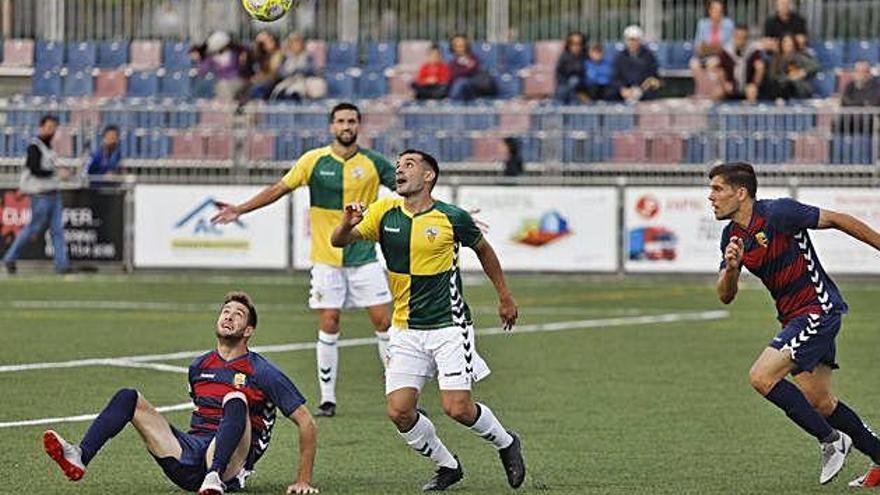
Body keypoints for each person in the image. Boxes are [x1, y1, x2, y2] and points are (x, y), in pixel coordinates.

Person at [330, 149, 526, 491]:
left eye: (409, 165)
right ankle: (447, 465)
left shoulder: (452, 217)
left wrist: (504, 296)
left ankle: (506, 442)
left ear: (428, 176)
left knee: (457, 408)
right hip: (405, 329)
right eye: (397, 166)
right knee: (399, 411)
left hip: (449, 327)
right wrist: (346, 223)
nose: (399, 170)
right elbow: (339, 241)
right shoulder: (383, 212)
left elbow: (483, 249)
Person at [212, 103, 395, 418]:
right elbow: (279, 189)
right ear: (331, 127)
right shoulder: (313, 161)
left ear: (359, 126)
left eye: (352, 121)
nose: (346, 126)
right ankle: (327, 399)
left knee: (384, 322)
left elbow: (408, 188)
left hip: (364, 255)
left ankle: (397, 391)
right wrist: (241, 209)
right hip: (326, 258)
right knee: (329, 321)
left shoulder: (375, 163)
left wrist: (445, 212)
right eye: (340, 121)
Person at [41, 291, 319, 495]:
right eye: (225, 311)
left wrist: (303, 480)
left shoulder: (263, 372)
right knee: (128, 397)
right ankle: (80, 455)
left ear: (248, 330)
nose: (228, 316)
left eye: (238, 314)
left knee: (235, 398)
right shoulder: (199, 366)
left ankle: (214, 477)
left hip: (231, 465)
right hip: (190, 454)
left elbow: (307, 421)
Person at [709, 162, 880, 487]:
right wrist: (732, 268)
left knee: (761, 376)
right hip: (794, 317)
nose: (711, 197)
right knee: (820, 402)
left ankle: (831, 441)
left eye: (717, 189)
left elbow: (837, 219)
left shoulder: (778, 213)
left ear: (740, 192)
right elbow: (725, 296)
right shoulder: (731, 236)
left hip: (818, 309)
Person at [2, 115, 69, 275]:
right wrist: (56, 173)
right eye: (48, 127)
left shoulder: (49, 148)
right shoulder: (34, 146)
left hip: (54, 194)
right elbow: (35, 169)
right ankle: (10, 257)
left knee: (57, 230)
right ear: (41, 127)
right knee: (32, 229)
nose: (51, 130)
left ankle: (62, 265)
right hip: (41, 196)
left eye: (54, 127)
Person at [271, 33, 326, 101]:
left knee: (299, 88)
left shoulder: (308, 56)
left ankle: (295, 97)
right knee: (280, 89)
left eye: (298, 43)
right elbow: (281, 73)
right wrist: (290, 72)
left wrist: (299, 69)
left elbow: (312, 70)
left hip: (303, 80)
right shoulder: (286, 57)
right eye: (293, 43)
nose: (296, 45)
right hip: (289, 80)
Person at [612, 25, 661, 102]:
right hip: (625, 91)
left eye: (635, 40)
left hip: (644, 91)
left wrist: (642, 89)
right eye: (630, 40)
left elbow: (653, 76)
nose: (632, 43)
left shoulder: (649, 56)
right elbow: (616, 77)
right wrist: (623, 89)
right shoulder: (620, 57)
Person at [767, 33, 819, 100]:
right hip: (780, 88)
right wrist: (789, 78)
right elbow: (772, 77)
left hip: (797, 87)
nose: (788, 44)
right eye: (785, 41)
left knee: (800, 86)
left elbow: (815, 66)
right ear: (781, 43)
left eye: (790, 41)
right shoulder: (776, 58)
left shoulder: (799, 56)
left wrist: (803, 72)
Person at [447, 34, 487, 101]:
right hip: (457, 87)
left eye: (462, 44)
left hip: (472, 87)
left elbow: (472, 70)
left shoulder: (473, 58)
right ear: (453, 47)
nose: (460, 47)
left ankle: (453, 104)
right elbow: (452, 75)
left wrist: (460, 71)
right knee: (459, 83)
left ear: (466, 45)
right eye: (457, 45)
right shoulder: (452, 62)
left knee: (461, 82)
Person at [248, 30, 284, 100]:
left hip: (274, 83)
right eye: (267, 41)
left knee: (258, 89)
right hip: (264, 83)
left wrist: (259, 78)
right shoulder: (262, 56)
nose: (272, 41)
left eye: (271, 39)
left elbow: (273, 74)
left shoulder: (278, 54)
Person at [554, 32, 586, 104]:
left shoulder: (585, 57)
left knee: (574, 81)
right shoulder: (564, 57)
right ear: (568, 45)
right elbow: (559, 74)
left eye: (579, 44)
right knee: (563, 90)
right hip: (565, 86)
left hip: (580, 87)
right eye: (573, 43)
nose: (576, 46)